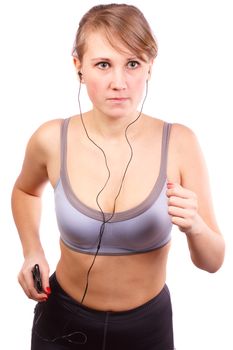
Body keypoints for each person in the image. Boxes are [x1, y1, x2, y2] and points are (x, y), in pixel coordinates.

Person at [11, 3, 225, 350]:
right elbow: (25, 191)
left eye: (133, 64)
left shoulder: (180, 143)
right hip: (60, 321)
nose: (119, 82)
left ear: (150, 67)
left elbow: (213, 261)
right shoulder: (51, 138)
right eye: (103, 64)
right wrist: (32, 249)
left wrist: (195, 226)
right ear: (78, 66)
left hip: (147, 330)